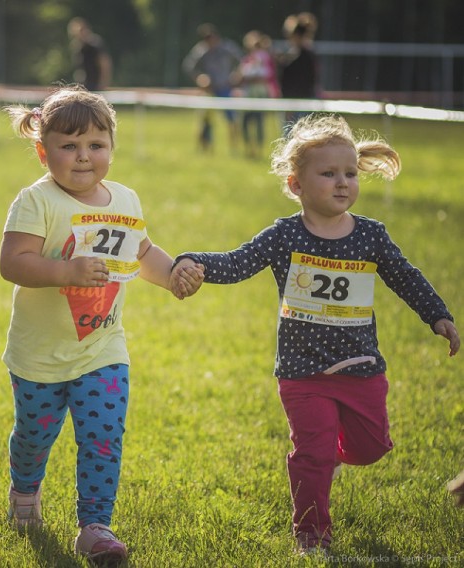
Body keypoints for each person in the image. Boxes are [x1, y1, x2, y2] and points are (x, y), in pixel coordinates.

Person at [171, 114, 460, 556]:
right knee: (311, 454)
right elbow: (238, 262)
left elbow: (405, 276)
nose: (342, 183)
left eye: (349, 173)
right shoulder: (285, 235)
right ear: (296, 184)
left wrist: (437, 315)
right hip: (302, 373)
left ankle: (331, 455)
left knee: (370, 447)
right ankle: (311, 536)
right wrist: (194, 262)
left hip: (361, 368)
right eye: (328, 174)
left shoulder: (371, 236)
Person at [0, 85, 204, 565]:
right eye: (68, 146)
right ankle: (25, 492)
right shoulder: (37, 201)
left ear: (112, 146)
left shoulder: (125, 199)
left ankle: (95, 525)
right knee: (35, 434)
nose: (83, 157)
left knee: (103, 435)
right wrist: (65, 271)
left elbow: (142, 252)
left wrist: (172, 273)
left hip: (102, 348)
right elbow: (13, 262)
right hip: (39, 355)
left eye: (96, 145)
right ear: (42, 150)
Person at [182, 23, 243, 153]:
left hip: (225, 88)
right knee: (205, 121)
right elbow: (188, 66)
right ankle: (204, 149)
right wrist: (200, 77)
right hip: (209, 89)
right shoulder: (201, 49)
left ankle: (234, 148)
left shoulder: (228, 47)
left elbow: (243, 61)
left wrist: (237, 75)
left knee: (232, 119)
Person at [236, 30, 280, 159]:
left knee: (259, 122)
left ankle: (258, 150)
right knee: (245, 123)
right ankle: (249, 149)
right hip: (248, 95)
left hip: (259, 95)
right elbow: (241, 77)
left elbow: (267, 76)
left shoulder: (265, 59)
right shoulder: (246, 60)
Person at [278, 12, 319, 133]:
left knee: (293, 136)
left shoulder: (298, 58)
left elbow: (291, 82)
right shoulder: (309, 55)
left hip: (297, 102)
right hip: (305, 100)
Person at [67, 17, 112, 91]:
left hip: (96, 85)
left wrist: (104, 83)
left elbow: (105, 65)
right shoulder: (78, 48)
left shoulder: (95, 44)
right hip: (84, 85)